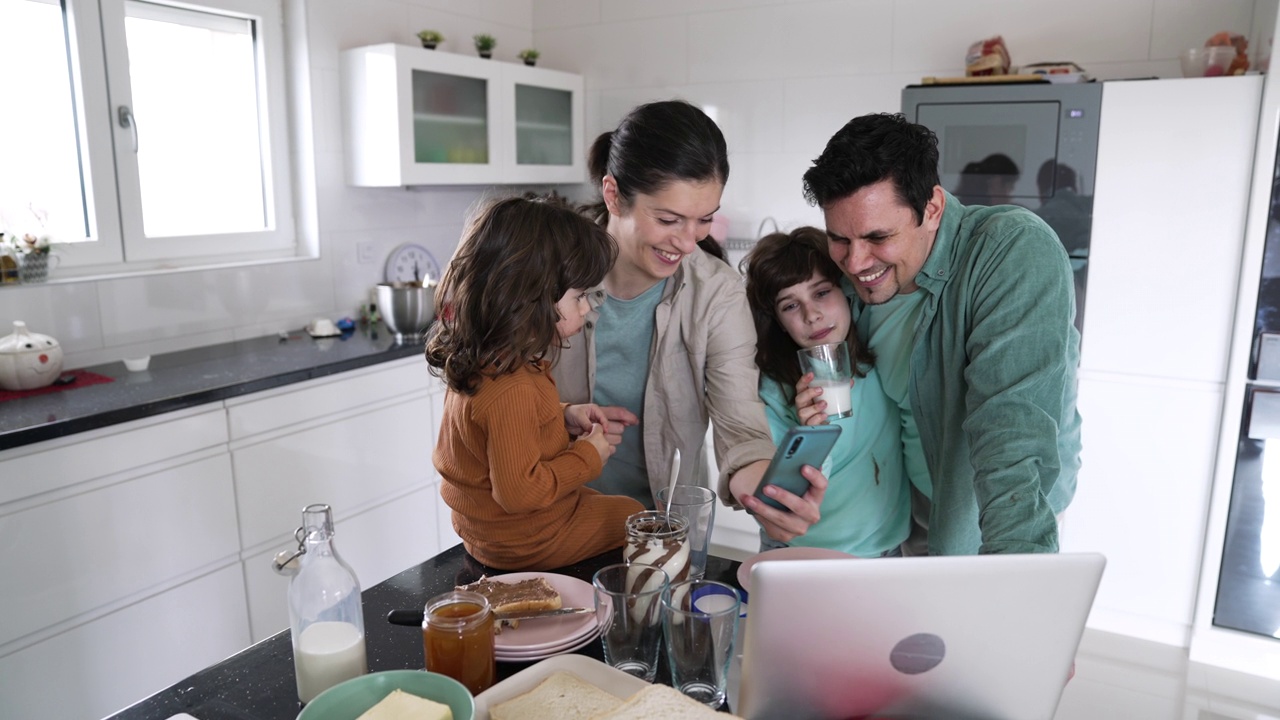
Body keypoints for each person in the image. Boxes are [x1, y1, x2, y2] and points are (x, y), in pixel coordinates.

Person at [801, 113, 1081, 555]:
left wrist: (1017, 571)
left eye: (878, 237)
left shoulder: (1011, 250)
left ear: (931, 209)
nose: (855, 263)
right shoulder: (847, 286)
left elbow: (1011, 430)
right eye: (840, 239)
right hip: (900, 511)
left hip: (987, 517)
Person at [553, 99, 825, 543]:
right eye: (668, 219)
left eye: (704, 221)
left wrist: (767, 494)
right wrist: (561, 415)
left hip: (665, 534)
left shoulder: (716, 293)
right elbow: (489, 391)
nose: (686, 242)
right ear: (613, 195)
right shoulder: (549, 272)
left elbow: (740, 427)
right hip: (549, 525)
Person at [425, 194, 645, 570]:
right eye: (577, 297)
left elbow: (496, 434)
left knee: (603, 505)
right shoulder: (512, 387)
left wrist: (563, 416)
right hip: (526, 540)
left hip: (486, 532)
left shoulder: (484, 364)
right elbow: (520, 493)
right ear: (529, 298)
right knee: (636, 517)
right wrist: (587, 456)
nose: (587, 307)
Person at [741, 227, 910, 556]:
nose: (812, 314)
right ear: (776, 320)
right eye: (790, 306)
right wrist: (814, 435)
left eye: (821, 293)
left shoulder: (881, 354)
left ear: (845, 288)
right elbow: (786, 502)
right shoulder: (774, 391)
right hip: (803, 552)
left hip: (887, 550)